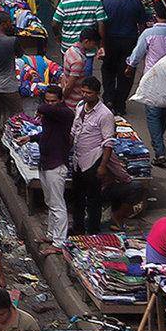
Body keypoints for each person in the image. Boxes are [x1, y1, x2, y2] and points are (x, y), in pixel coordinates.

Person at [128, 10, 166, 167]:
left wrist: (130, 66)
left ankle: (159, 151)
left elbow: (137, 54)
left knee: (153, 113)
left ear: (155, 15)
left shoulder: (149, 33)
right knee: (163, 110)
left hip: (152, 78)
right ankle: (159, 140)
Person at [70, 77, 115, 236]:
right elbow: (74, 129)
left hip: (93, 161)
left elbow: (108, 142)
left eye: (89, 93)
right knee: (78, 197)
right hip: (77, 160)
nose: (85, 95)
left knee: (94, 199)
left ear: (97, 93)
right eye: (83, 91)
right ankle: (78, 228)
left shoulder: (105, 115)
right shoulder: (80, 106)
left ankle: (93, 230)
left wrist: (103, 166)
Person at [33, 82, 74, 243]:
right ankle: (51, 235)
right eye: (48, 101)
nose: (50, 104)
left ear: (61, 100)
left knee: (57, 205)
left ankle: (59, 241)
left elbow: (43, 109)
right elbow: (45, 134)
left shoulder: (65, 114)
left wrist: (43, 106)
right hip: (45, 162)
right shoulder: (50, 115)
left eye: (53, 101)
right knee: (49, 202)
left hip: (56, 165)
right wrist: (30, 138)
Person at [99, 0, 148, 110]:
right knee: (126, 72)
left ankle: (108, 98)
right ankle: (120, 103)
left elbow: (101, 24)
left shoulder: (107, 2)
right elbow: (142, 26)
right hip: (129, 42)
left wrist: (102, 43)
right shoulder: (136, 3)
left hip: (110, 41)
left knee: (108, 70)